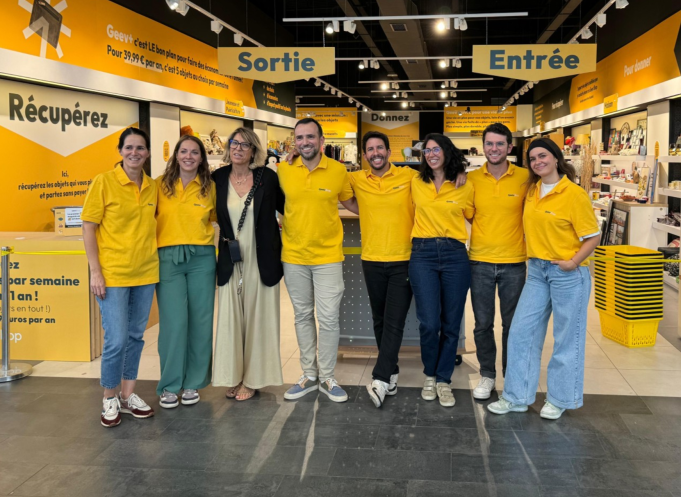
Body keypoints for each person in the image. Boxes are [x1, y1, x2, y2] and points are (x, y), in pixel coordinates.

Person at [487, 138, 600, 420]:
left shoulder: (573, 194)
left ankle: (560, 399)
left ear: (556, 158)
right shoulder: (532, 190)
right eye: (533, 158)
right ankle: (517, 397)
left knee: (566, 339)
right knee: (521, 332)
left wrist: (572, 262)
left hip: (568, 273)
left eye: (543, 156)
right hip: (537, 271)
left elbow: (593, 235)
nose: (538, 162)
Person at [82, 127, 158, 428]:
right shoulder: (104, 182)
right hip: (112, 274)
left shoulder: (152, 187)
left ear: (148, 153)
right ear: (120, 150)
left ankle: (128, 395)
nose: (134, 153)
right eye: (129, 147)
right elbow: (88, 227)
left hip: (146, 272)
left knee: (135, 337)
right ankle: (109, 396)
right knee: (115, 338)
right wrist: (95, 271)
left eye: (140, 148)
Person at [278, 118, 355, 403]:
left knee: (329, 319)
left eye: (310, 137)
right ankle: (309, 374)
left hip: (328, 257)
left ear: (321, 141)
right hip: (294, 256)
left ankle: (328, 377)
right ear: (294, 142)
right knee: (301, 316)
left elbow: (352, 203)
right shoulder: (283, 169)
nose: (305, 142)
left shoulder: (338, 171)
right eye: (300, 138)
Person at [212, 127, 285, 401]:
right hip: (231, 259)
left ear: (254, 150)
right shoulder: (217, 178)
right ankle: (234, 375)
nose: (238, 149)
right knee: (231, 319)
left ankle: (253, 379)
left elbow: (287, 208)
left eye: (245, 145)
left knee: (259, 318)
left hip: (261, 259)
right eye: (234, 143)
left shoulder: (267, 177)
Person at [409, 133, 474, 407]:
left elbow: (471, 215)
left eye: (436, 149)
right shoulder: (414, 181)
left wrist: (461, 171)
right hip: (422, 254)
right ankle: (429, 374)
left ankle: (444, 379)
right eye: (427, 151)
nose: (431, 154)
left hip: (455, 254)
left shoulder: (465, 184)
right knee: (429, 323)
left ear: (446, 151)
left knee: (451, 322)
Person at [466, 123, 529, 400]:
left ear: (509, 147)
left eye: (500, 144)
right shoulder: (470, 179)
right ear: (483, 147)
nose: (494, 149)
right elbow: (468, 214)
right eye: (489, 144)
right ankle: (487, 376)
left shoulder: (527, 177)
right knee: (482, 324)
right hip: (479, 260)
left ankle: (512, 378)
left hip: (514, 262)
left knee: (512, 324)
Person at [155, 135, 216, 408]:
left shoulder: (210, 187)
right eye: (183, 151)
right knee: (173, 323)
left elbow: (215, 221)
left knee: (201, 322)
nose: (188, 156)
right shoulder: (159, 185)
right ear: (175, 155)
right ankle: (169, 384)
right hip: (168, 257)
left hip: (202, 258)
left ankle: (193, 382)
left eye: (194, 152)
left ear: (202, 157)